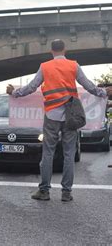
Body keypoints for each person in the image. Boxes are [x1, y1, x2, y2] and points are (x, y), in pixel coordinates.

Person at [7, 39, 112, 202]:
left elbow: (32, 86)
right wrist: (103, 92)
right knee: (69, 154)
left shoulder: (45, 66)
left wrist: (15, 92)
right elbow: (89, 86)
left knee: (48, 153)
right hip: (71, 115)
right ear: (65, 50)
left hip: (51, 115)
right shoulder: (73, 65)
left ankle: (44, 191)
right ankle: (66, 192)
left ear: (51, 51)